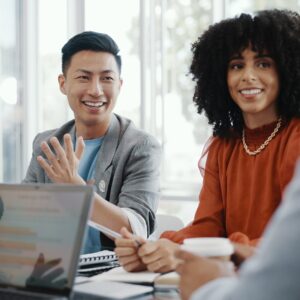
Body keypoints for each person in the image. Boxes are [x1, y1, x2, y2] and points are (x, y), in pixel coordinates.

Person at [115, 9, 300, 272]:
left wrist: (188, 253)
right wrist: (151, 251)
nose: (248, 75)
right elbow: (207, 226)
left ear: (286, 70)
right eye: (237, 66)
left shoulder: (296, 137)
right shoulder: (224, 145)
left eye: (263, 63)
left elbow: (292, 240)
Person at [23, 31, 161, 253]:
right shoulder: (46, 144)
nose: (96, 91)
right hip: (49, 272)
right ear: (63, 83)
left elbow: (136, 230)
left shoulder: (140, 146)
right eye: (83, 77)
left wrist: (76, 190)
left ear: (119, 85)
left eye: (107, 78)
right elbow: (21, 219)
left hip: (111, 278)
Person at [176, 159, 300, 300]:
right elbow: (207, 225)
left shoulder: (295, 141)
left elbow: (286, 259)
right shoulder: (222, 145)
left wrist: (208, 285)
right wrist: (173, 248)